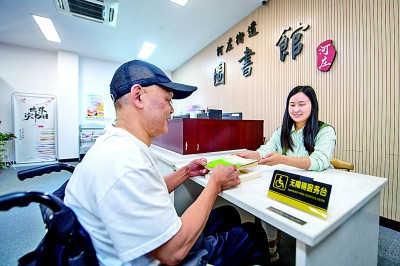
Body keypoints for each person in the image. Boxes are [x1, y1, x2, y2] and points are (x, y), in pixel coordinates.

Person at [64, 60, 270, 266]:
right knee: (251, 234)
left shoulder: (115, 145)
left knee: (227, 214)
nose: (172, 109)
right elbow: (173, 252)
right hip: (162, 257)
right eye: (167, 100)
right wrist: (215, 183)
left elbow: (144, 189)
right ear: (138, 96)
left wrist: (186, 172)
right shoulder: (126, 161)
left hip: (129, 246)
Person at [235, 85, 336, 262]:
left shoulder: (325, 130)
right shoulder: (282, 130)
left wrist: (282, 159)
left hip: (315, 187)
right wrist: (249, 155)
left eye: (302, 104)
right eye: (292, 104)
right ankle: (270, 242)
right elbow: (266, 150)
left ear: (313, 106)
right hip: (288, 183)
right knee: (266, 199)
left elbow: (319, 161)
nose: (296, 109)